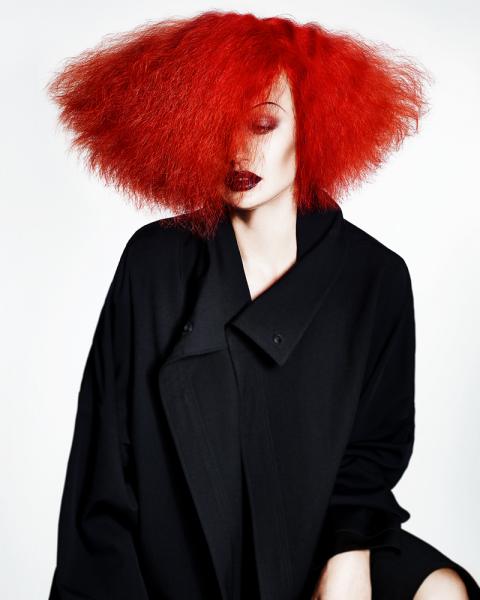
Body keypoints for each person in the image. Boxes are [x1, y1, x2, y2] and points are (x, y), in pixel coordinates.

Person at [46, 10, 480, 599]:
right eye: (217, 125)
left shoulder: (374, 277)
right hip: (194, 564)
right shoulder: (155, 264)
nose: (237, 149)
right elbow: (104, 473)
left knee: (443, 591)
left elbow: (372, 450)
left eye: (263, 123)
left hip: (324, 537)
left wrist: (349, 551)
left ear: (314, 126)